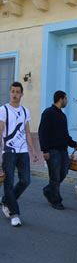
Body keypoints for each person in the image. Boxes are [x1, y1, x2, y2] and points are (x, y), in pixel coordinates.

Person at [0, 82, 38, 227]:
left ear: (22, 94)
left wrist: (33, 150)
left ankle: (6, 200)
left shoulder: (25, 111)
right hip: (9, 152)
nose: (15, 94)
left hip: (22, 151)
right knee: (9, 182)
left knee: (25, 180)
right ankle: (14, 213)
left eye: (17, 92)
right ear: (10, 93)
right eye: (13, 91)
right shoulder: (3, 110)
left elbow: (27, 132)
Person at [39, 90, 77, 210]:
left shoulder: (62, 115)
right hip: (52, 151)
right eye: (66, 99)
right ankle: (56, 201)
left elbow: (65, 135)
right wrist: (45, 150)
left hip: (63, 150)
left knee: (64, 172)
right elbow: (43, 132)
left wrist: (74, 144)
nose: (67, 101)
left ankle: (48, 190)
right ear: (61, 99)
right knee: (55, 176)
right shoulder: (48, 113)